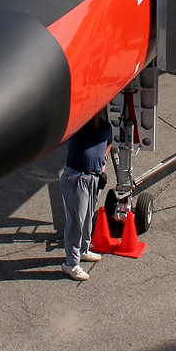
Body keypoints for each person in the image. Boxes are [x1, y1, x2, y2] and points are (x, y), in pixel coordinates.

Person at [59, 113, 113, 281]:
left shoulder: (105, 127)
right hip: (77, 177)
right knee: (77, 221)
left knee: (88, 217)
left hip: (94, 178)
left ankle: (83, 249)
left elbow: (109, 142)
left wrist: (103, 162)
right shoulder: (78, 126)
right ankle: (71, 264)